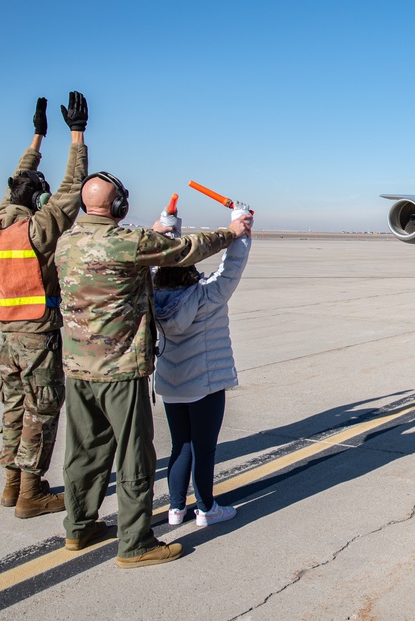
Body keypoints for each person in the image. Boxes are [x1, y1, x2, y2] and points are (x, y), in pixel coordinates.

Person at [55, 173, 252, 568]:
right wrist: (234, 230)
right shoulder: (131, 244)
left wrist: (162, 225)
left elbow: (140, 249)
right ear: (118, 207)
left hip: (78, 370)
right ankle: (136, 543)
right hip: (119, 370)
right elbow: (185, 249)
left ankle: (79, 527)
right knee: (135, 457)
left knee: (84, 453)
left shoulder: (67, 241)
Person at [0, 94, 88, 518]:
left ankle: (12, 485)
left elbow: (19, 178)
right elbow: (72, 188)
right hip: (38, 335)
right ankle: (31, 493)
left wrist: (38, 136)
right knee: (41, 410)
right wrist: (77, 135)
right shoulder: (38, 229)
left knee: (13, 407)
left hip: (8, 334)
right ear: (38, 200)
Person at [152, 207, 252, 528]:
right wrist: (241, 225)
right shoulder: (209, 296)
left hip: (171, 385)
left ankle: (176, 509)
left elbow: (160, 258)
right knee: (204, 450)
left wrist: (168, 226)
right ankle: (207, 509)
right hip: (205, 386)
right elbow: (232, 265)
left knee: (180, 446)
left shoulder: (154, 296)